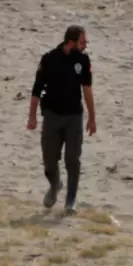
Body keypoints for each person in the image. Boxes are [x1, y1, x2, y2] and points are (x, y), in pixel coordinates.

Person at [27, 25, 96, 214]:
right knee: (49, 162)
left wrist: (92, 118)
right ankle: (55, 184)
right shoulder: (49, 59)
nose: (85, 46)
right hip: (52, 115)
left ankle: (70, 200)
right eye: (82, 42)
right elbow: (36, 90)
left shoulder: (83, 60)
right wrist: (32, 116)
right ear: (71, 42)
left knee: (72, 159)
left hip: (74, 116)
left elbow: (87, 90)